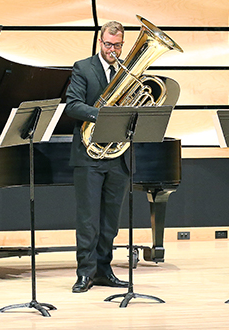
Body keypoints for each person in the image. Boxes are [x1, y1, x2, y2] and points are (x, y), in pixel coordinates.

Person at [64, 20, 131, 293]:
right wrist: (103, 115)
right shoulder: (83, 68)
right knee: (88, 220)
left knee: (110, 221)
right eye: (108, 44)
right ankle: (85, 273)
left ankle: (104, 270)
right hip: (89, 155)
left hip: (118, 155)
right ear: (99, 42)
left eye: (117, 45)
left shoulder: (127, 71)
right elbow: (73, 105)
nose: (112, 50)